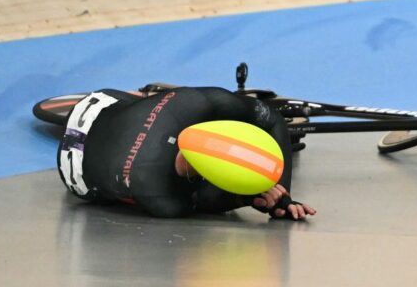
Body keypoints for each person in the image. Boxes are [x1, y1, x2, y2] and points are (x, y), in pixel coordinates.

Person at [57, 86, 316, 219]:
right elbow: (218, 201)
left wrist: (281, 193)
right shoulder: (163, 198)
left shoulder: (197, 102)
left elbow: (272, 120)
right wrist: (271, 199)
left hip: (99, 102)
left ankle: (150, 104)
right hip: (77, 174)